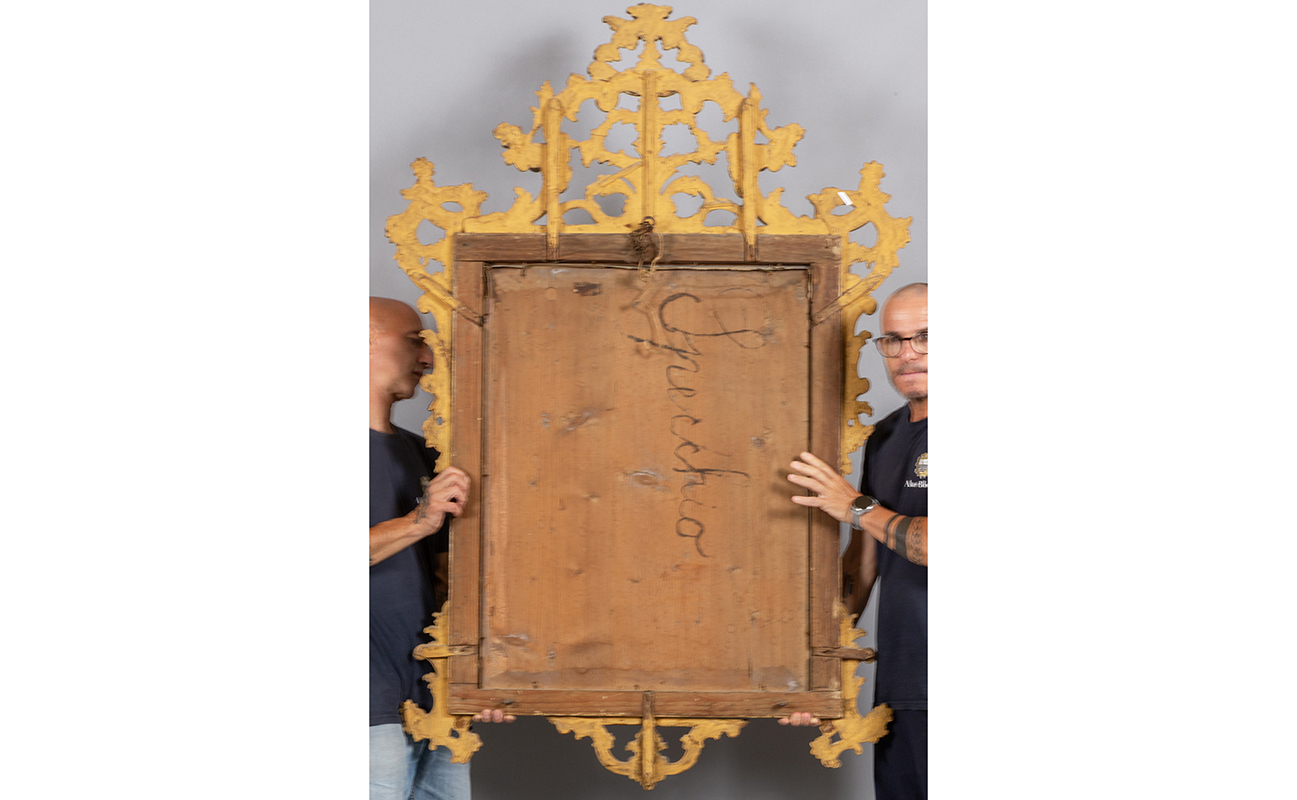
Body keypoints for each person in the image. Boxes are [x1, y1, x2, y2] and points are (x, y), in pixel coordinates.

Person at [782, 283, 929, 800]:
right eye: (893, 340)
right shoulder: (884, 437)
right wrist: (816, 668)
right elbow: (862, 566)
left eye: (926, 337)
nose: (907, 353)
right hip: (902, 688)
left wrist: (856, 506)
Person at [369, 297, 512, 800]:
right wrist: (419, 520)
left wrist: (483, 675)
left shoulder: (423, 453)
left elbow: (452, 581)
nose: (429, 357)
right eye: (415, 341)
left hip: (436, 702)